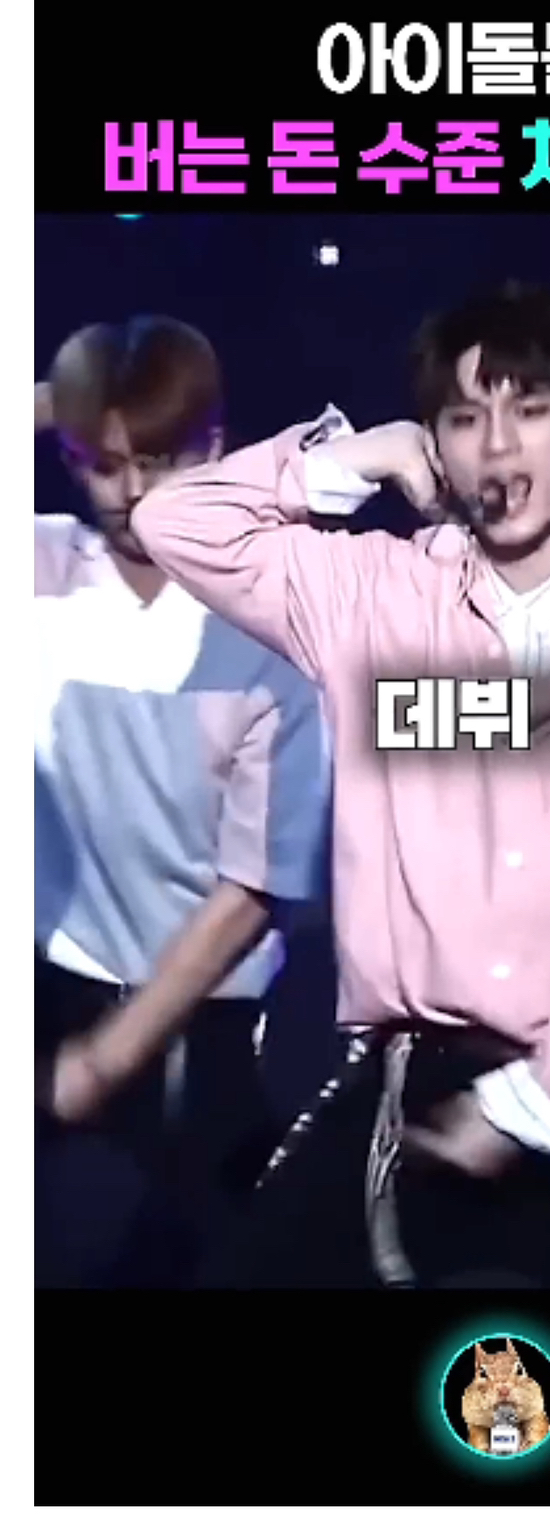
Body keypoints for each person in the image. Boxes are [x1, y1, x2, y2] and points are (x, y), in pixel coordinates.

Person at [132, 282, 550, 1290]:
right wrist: (355, 456)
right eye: (464, 419)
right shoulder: (377, 596)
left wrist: (546, 1095)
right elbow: (174, 520)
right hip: (419, 1072)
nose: (498, 448)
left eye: (531, 412)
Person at [35, 317, 331, 1286]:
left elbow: (255, 888)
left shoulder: (274, 614)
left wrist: (109, 1058)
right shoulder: (38, 568)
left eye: (156, 461)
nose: (128, 492)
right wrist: (61, 401)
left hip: (212, 1025)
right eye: (101, 463)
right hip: (51, 992)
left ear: (214, 448)